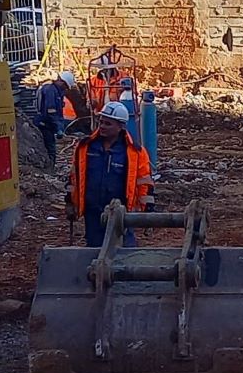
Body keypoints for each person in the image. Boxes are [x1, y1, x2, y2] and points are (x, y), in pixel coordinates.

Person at [67, 99, 153, 247]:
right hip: (93, 211)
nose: (102, 127)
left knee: (125, 253)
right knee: (95, 251)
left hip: (122, 213)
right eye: (101, 122)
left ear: (120, 126)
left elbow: (144, 182)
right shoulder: (85, 147)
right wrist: (70, 202)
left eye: (108, 123)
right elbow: (74, 178)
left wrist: (147, 213)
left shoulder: (135, 152)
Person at [33, 72, 67, 164]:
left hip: (46, 123)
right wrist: (58, 127)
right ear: (62, 81)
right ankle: (50, 167)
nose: (65, 89)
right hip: (44, 124)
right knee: (50, 148)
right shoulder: (51, 91)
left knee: (49, 147)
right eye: (65, 86)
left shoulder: (55, 90)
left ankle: (49, 166)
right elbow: (51, 111)